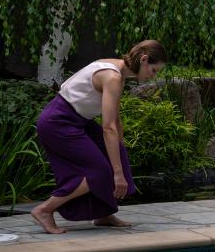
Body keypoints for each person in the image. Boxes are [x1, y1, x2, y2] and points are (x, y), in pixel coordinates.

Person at [31, 40, 167, 234]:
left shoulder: (117, 71)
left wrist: (120, 151)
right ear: (144, 60)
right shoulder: (112, 76)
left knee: (114, 155)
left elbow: (115, 120)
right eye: (154, 70)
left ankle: (103, 214)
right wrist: (117, 174)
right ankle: (45, 209)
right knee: (101, 171)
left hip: (78, 121)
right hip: (57, 123)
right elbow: (108, 128)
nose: (153, 76)